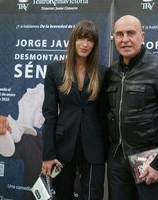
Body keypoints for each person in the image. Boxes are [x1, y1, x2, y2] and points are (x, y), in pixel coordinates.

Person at [41, 19, 107, 200]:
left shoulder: (102, 73)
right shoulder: (55, 70)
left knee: (93, 195)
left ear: (95, 44)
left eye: (90, 40)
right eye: (81, 38)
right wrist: (47, 154)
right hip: (63, 145)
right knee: (62, 194)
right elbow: (49, 114)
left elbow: (104, 115)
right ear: (73, 40)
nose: (85, 44)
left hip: (94, 146)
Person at [106, 15, 158, 200]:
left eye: (131, 33)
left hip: (148, 161)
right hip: (117, 161)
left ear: (142, 36)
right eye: (119, 34)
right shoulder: (111, 72)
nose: (125, 40)